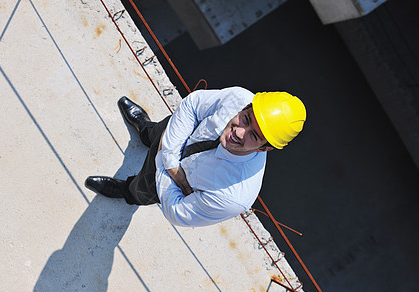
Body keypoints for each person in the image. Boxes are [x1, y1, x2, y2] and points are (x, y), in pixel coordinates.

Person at [85, 87, 306, 227]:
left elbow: (177, 212)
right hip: (175, 140)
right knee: (156, 131)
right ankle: (145, 131)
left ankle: (127, 191)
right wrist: (170, 161)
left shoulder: (233, 196)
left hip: (165, 183)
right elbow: (192, 106)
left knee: (142, 190)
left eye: (253, 136)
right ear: (246, 106)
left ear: (264, 149)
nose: (239, 133)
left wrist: (164, 165)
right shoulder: (239, 97)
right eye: (246, 119)